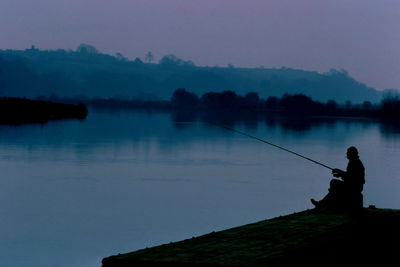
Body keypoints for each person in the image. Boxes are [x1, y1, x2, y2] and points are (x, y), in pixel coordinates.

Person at [311, 146, 365, 211]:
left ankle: (322, 203)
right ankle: (322, 203)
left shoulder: (355, 163)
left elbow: (352, 178)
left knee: (334, 183)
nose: (347, 154)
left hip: (355, 187)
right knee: (334, 185)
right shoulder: (354, 162)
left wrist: (340, 174)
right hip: (355, 186)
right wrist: (339, 172)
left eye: (348, 153)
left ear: (352, 154)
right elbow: (349, 175)